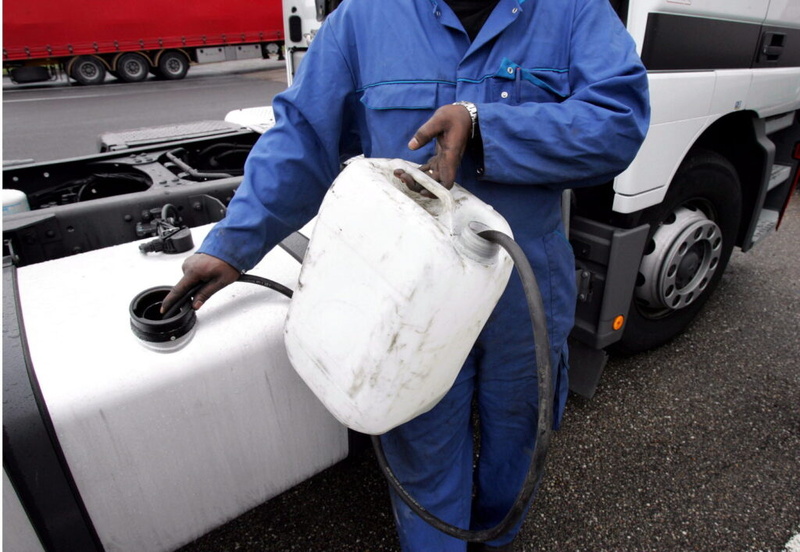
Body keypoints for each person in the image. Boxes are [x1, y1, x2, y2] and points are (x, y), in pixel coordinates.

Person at [161, 0, 649, 549]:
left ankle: (498, 539)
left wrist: (485, 127)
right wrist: (233, 244)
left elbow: (618, 120)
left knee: (519, 437)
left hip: (523, 284)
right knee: (422, 444)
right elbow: (303, 137)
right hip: (409, 299)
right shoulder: (363, 19)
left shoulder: (572, 11)